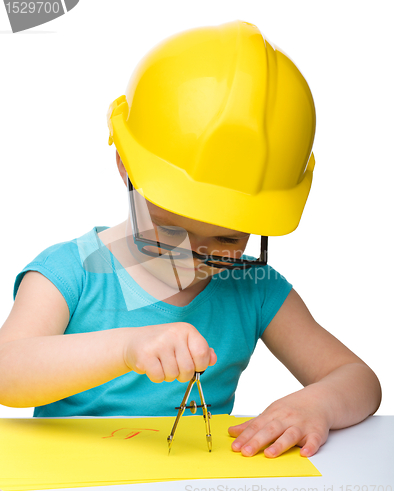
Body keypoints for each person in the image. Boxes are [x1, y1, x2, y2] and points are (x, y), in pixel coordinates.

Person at [0, 21, 381, 460]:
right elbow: (8, 372)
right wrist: (127, 349)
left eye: (226, 236)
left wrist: (317, 404)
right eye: (167, 230)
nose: (192, 256)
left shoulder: (254, 289)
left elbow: (359, 378)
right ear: (125, 166)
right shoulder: (71, 272)